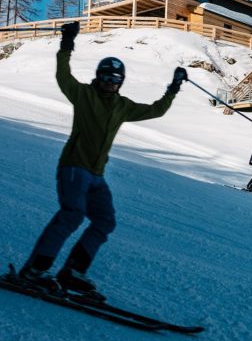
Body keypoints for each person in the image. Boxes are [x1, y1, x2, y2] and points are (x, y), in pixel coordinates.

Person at [18, 21, 188, 295]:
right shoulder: (84, 95)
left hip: (97, 175)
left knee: (105, 221)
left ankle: (73, 272)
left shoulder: (122, 106)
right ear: (99, 77)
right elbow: (64, 77)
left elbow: (156, 110)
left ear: (121, 82)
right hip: (74, 168)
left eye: (115, 79)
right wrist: (66, 44)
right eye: (106, 77)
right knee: (72, 215)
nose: (110, 83)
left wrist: (174, 88)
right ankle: (35, 269)